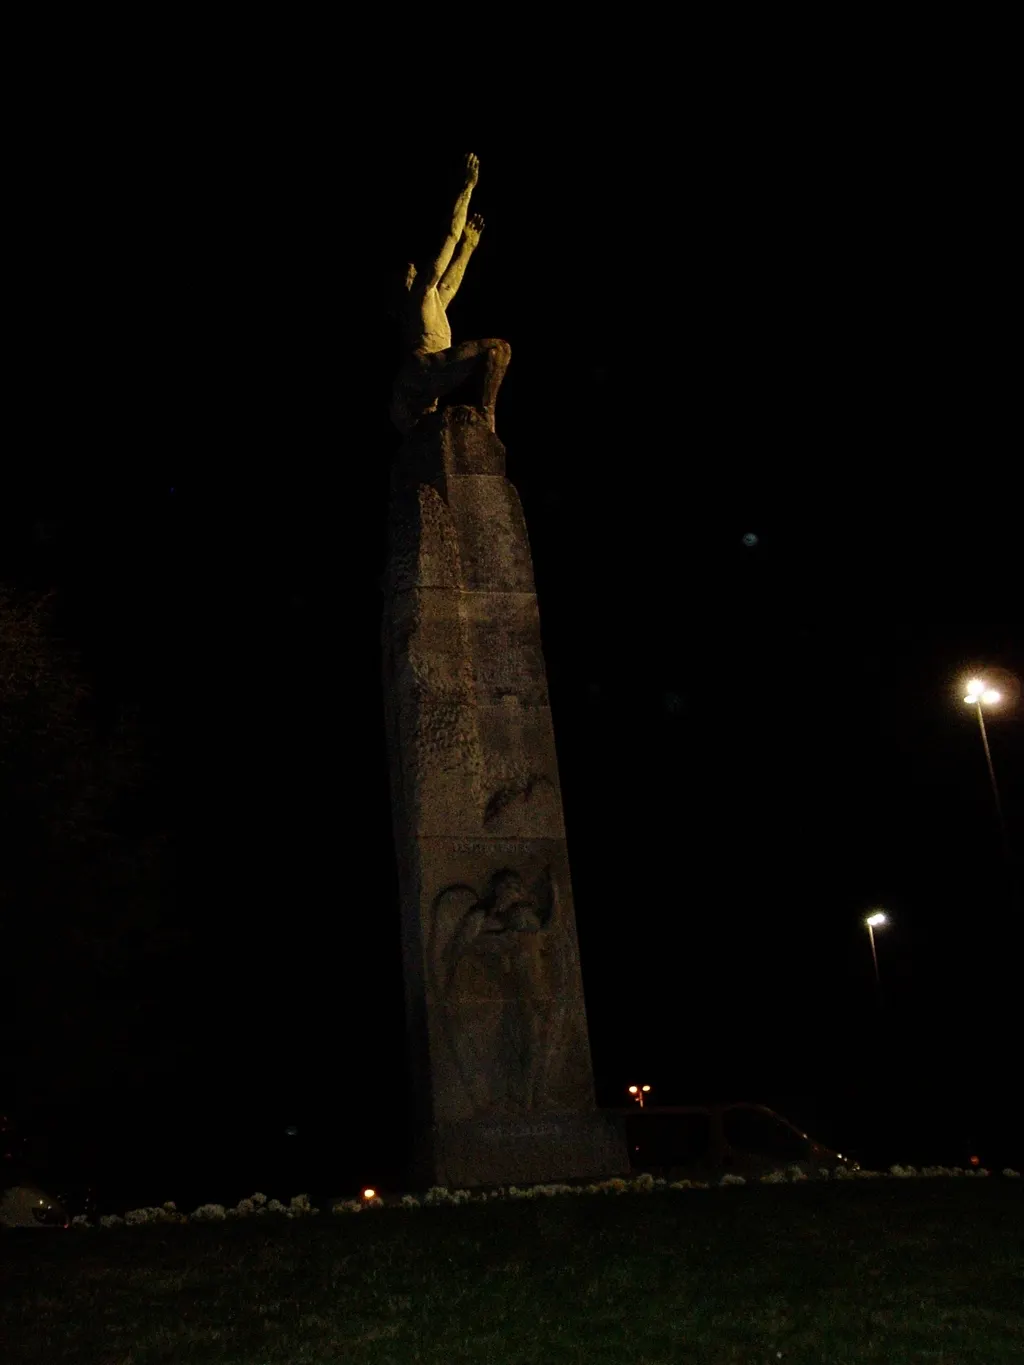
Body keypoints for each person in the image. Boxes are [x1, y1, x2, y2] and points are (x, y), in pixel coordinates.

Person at [390, 152, 511, 435]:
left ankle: (485, 414)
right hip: (423, 373)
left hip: (431, 374)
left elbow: (450, 284)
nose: (413, 269)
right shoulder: (418, 295)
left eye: (413, 269)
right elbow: (449, 237)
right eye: (408, 273)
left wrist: (468, 247)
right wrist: (467, 189)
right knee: (496, 348)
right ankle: (486, 415)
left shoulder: (430, 300)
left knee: (499, 350)